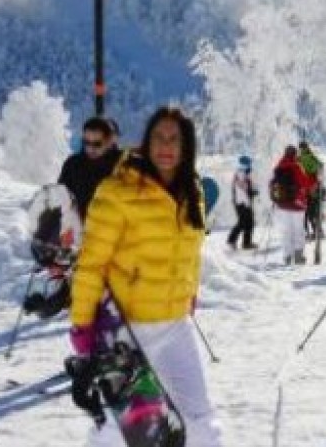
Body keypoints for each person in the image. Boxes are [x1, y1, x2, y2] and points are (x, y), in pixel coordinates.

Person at [66, 106, 222, 446]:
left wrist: (189, 293)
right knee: (120, 431)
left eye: (174, 139)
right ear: (146, 143)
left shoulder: (191, 190)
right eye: (158, 138)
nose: (166, 146)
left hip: (175, 326)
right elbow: (91, 265)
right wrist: (82, 326)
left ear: (187, 146)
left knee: (199, 423)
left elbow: (190, 250)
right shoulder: (117, 191)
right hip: (126, 332)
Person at [57, 116, 123, 219]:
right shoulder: (72, 165)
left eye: (97, 144)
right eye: (86, 143)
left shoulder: (123, 167)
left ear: (109, 142)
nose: (90, 148)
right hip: (79, 230)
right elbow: (60, 199)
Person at [272, 146, 315, 265]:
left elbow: (273, 185)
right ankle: (298, 256)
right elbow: (306, 183)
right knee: (298, 230)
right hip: (297, 204)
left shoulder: (278, 167)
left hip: (282, 205)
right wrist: (314, 179)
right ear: (294, 155)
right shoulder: (296, 167)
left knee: (286, 231)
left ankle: (287, 257)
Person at [227, 155, 258, 251]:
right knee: (244, 222)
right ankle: (233, 241)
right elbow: (242, 188)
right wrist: (251, 192)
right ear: (246, 164)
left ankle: (246, 243)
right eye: (249, 163)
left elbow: (246, 187)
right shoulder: (241, 173)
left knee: (248, 222)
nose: (251, 166)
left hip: (243, 202)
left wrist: (252, 191)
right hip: (242, 202)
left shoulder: (243, 173)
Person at [297, 141, 326, 242]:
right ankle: (318, 231)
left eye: (300, 148)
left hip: (307, 190)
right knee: (313, 212)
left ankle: (307, 233)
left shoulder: (302, 159)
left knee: (306, 212)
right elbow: (320, 167)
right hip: (314, 189)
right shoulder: (311, 157)